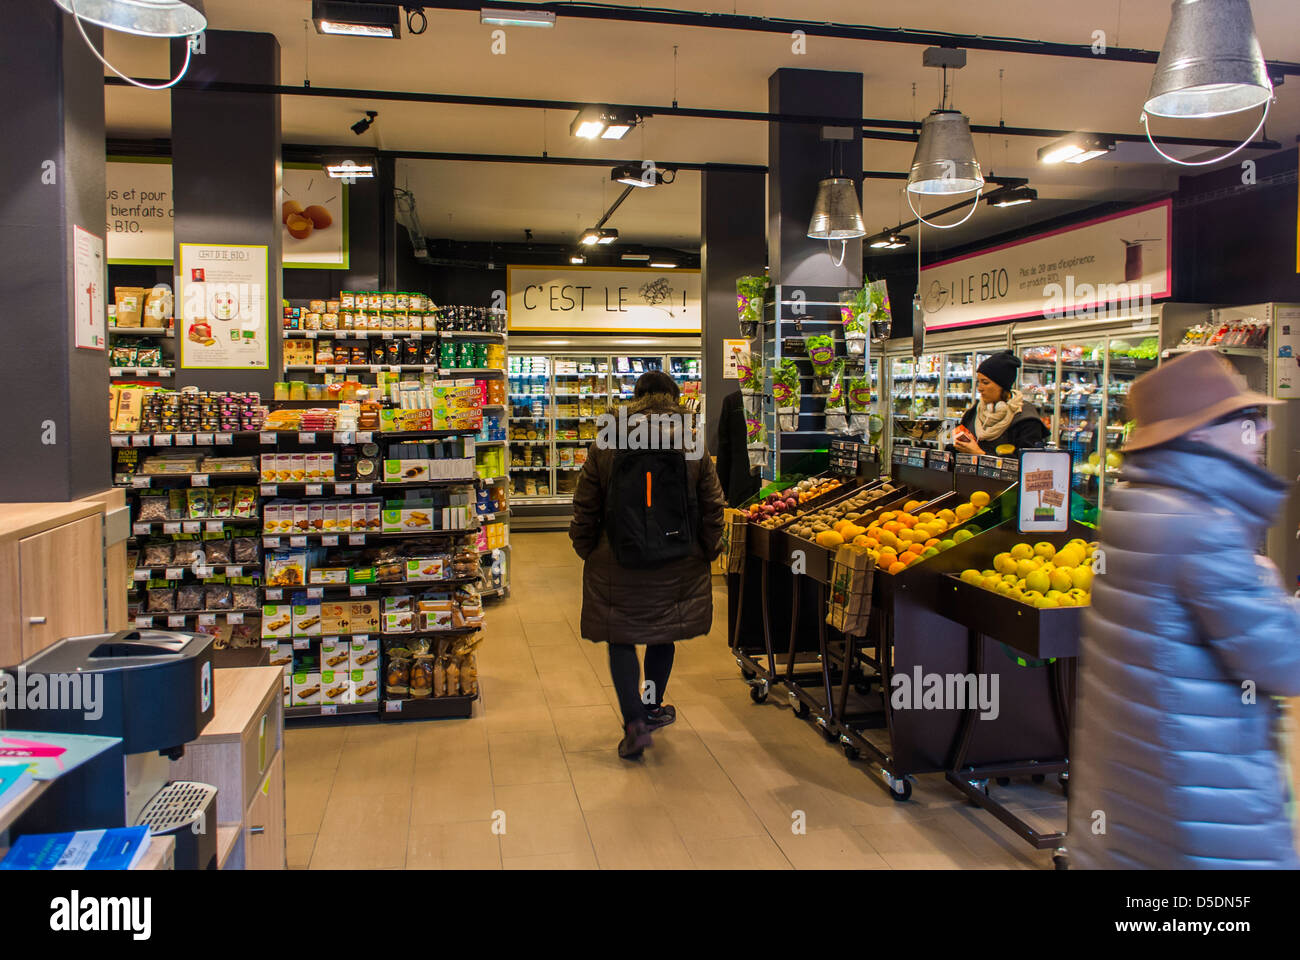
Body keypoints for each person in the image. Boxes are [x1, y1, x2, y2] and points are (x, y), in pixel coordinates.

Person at [1067, 350, 1300, 869]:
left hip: (1135, 797)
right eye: (1246, 420)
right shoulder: (1204, 529)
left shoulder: (1128, 506)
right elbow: (1286, 661)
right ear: (1200, 436)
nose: (1260, 432)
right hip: (1207, 814)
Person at [569, 370, 727, 760]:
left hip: (617, 556)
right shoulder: (690, 437)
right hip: (678, 556)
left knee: (620, 636)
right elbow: (712, 503)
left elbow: (586, 501)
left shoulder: (608, 436)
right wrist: (709, 548)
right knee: (662, 632)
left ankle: (634, 723)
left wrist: (586, 545)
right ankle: (652, 707)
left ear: (634, 397)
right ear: (673, 399)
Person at [951, 350, 1049, 458]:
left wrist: (980, 454)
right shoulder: (975, 411)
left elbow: (1028, 462)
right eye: (978, 382)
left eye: (985, 382)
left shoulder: (1025, 417)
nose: (979, 388)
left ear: (1003, 385)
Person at [714, 388, 761, 507]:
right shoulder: (780, 400)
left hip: (741, 481)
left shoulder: (732, 400)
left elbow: (724, 447)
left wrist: (722, 488)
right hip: (775, 483)